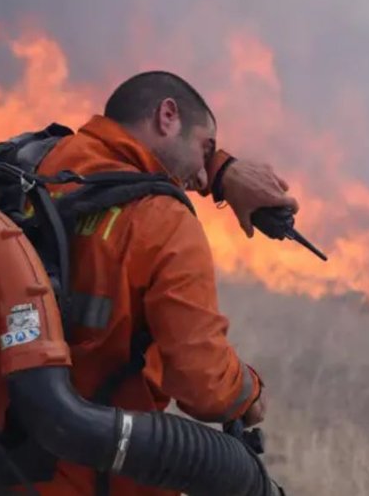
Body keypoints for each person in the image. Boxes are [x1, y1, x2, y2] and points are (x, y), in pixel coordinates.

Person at [23, 70, 297, 496]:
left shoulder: (35, 166)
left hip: (2, 467)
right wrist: (247, 391)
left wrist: (224, 170)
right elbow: (204, 385)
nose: (204, 180)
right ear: (167, 115)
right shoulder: (162, 222)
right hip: (95, 478)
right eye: (205, 151)